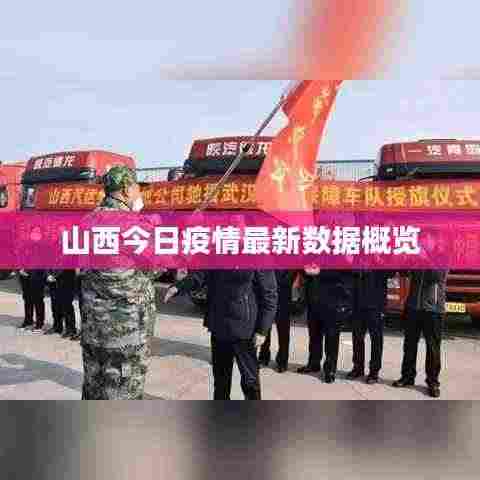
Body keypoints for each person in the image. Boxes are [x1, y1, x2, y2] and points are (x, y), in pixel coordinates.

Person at [81, 166, 157, 400]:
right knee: (123, 391)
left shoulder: (87, 221)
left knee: (94, 385)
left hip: (94, 326)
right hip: (125, 329)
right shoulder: (133, 225)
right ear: (125, 189)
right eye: (137, 188)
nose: (139, 193)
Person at [164, 270, 278, 400]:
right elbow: (201, 274)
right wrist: (179, 287)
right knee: (220, 382)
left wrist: (262, 330)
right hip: (220, 325)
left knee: (250, 381)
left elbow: (270, 295)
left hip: (245, 329)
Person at [392, 270, 448, 398]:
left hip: (433, 308)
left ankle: (433, 382)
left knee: (433, 347)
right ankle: (407, 376)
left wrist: (423, 261)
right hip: (413, 306)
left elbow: (435, 276)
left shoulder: (441, 258)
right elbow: (404, 273)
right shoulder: (417, 258)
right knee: (409, 344)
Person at [297, 266, 355, 383]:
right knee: (314, 334)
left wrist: (320, 272)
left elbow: (345, 272)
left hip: (332, 299)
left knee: (331, 336)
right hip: (313, 297)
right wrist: (305, 269)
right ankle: (313, 363)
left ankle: (330, 370)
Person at [347, 270, 396, 384]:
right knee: (357, 337)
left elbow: (391, 272)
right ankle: (358, 368)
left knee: (376, 339)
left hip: (375, 305)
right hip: (358, 303)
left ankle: (374, 372)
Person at [259, 270, 296, 373]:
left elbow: (293, 269)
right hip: (267, 291)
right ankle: (264, 356)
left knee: (283, 329)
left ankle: (282, 361)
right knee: (265, 325)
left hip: (284, 291)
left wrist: (286, 281)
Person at [44, 270, 77, 339]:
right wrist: (48, 275)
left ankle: (71, 330)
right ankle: (57, 327)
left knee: (67, 306)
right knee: (55, 305)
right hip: (53, 282)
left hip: (66, 281)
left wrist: (54, 276)